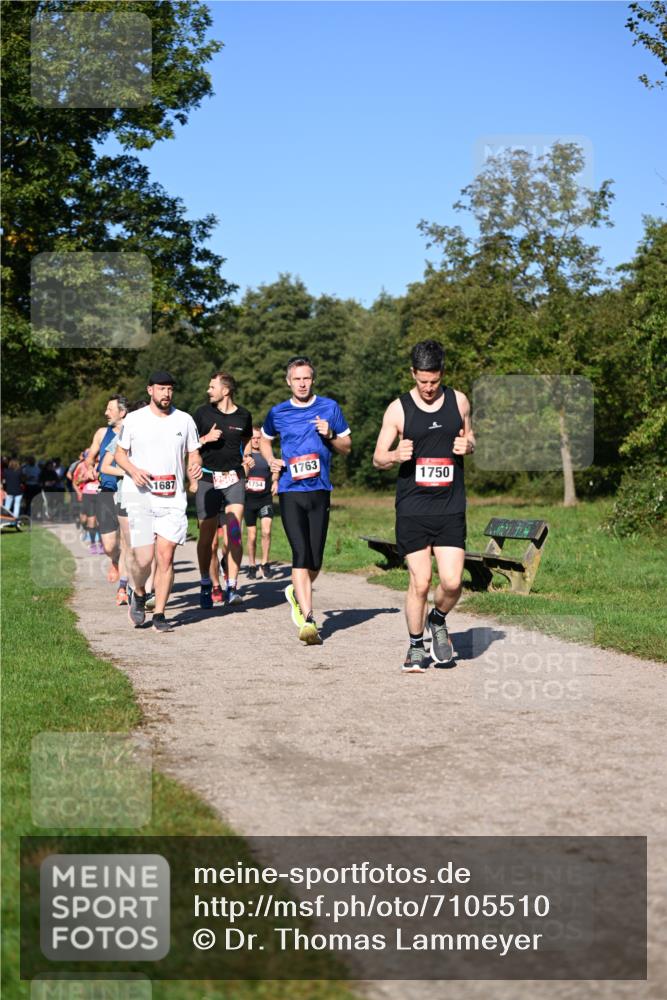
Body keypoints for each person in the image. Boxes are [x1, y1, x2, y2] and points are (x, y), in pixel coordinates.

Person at [373, 339, 475, 673]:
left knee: (452, 583)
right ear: (413, 373)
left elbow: (470, 437)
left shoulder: (458, 401)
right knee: (420, 581)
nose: (428, 388)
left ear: (442, 373)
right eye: (422, 381)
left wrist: (468, 444)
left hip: (449, 506)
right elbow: (377, 458)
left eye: (434, 381)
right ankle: (416, 646)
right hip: (413, 507)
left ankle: (438, 618)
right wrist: (393, 455)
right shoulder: (398, 409)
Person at [260, 355, 351, 645]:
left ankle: (296, 592)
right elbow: (264, 439)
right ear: (288, 382)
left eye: (306, 378)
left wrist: (331, 434)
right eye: (296, 379)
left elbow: (347, 447)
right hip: (290, 491)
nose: (302, 383)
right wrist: (271, 459)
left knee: (315, 558)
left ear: (313, 380)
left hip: (320, 489)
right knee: (300, 553)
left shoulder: (329, 408)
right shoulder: (278, 412)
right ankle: (309, 620)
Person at [113, 371, 202, 633]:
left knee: (166, 557)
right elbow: (119, 455)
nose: (166, 393)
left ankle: (160, 612)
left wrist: (194, 470)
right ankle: (139, 594)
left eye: (170, 389)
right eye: (161, 388)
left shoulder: (184, 420)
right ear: (150, 390)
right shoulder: (135, 420)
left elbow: (193, 453)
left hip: (172, 497)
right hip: (140, 496)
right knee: (143, 559)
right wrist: (133, 470)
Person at [192, 372, 253, 608]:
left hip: (234, 478)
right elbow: (189, 444)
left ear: (225, 391)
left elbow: (246, 440)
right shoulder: (202, 414)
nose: (208, 391)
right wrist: (205, 438)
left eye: (212, 387)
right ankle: (206, 583)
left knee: (235, 534)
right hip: (208, 480)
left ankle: (232, 587)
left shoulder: (243, 415)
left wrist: (247, 456)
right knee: (207, 538)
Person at [86, 395, 129, 584]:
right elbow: (90, 455)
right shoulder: (102, 433)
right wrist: (89, 466)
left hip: (129, 490)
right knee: (109, 545)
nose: (105, 413)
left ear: (122, 412)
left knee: (129, 540)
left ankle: (127, 584)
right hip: (106, 490)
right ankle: (115, 560)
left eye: (110, 409)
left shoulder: (134, 432)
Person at [243, 426, 275, 579]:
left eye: (258, 438)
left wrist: (276, 481)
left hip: (265, 499)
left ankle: (265, 563)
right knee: (252, 536)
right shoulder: (245, 456)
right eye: (253, 438)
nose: (256, 440)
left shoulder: (268, 455)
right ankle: (251, 564)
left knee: (267, 531)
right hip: (249, 501)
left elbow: (276, 470)